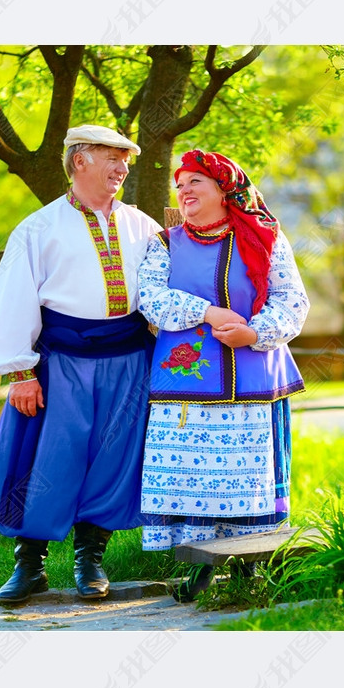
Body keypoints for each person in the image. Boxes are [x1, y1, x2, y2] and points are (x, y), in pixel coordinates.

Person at [0, 125, 160, 603]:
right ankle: (29, 564)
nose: (122, 168)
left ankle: (90, 560)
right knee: (50, 458)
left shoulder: (143, 226)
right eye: (112, 158)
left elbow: (166, 292)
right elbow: (14, 300)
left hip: (128, 360)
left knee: (111, 458)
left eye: (126, 160)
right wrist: (20, 371)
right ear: (80, 161)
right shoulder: (38, 229)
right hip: (61, 362)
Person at [137, 150, 309, 562]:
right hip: (186, 387)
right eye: (179, 185)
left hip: (254, 380)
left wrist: (253, 332)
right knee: (189, 479)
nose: (184, 190)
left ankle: (253, 563)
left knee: (249, 480)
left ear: (224, 188)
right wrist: (207, 312)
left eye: (194, 181)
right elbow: (150, 298)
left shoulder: (267, 242)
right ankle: (191, 565)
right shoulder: (163, 244)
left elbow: (292, 301)